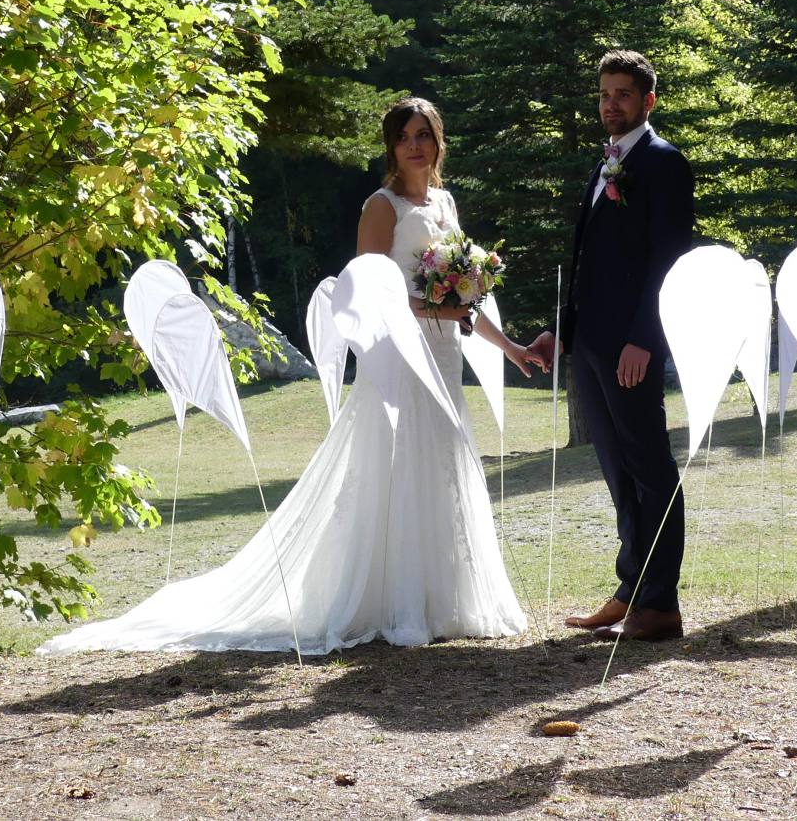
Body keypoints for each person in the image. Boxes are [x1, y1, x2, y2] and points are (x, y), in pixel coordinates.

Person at [39, 96, 547, 656]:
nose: (415, 145)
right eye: (404, 136)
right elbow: (373, 296)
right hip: (397, 359)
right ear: (391, 146)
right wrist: (441, 310)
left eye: (423, 133)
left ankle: (445, 600)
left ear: (438, 140)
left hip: (443, 354)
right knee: (396, 469)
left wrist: (513, 348)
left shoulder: (446, 203)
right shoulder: (382, 208)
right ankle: (391, 602)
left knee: (442, 463)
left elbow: (464, 300)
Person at [533, 50, 694, 643]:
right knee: (618, 472)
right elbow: (586, 265)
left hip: (631, 348)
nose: (611, 105)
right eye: (604, 94)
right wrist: (562, 329)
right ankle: (631, 589)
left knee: (651, 470)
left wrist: (643, 341)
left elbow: (667, 263)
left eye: (623, 94)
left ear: (648, 101)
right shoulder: (605, 165)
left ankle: (660, 606)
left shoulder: (664, 163)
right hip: (592, 346)